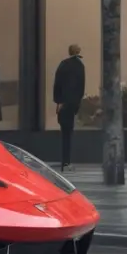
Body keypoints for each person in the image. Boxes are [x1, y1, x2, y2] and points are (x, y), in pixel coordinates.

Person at [53, 44, 86, 172]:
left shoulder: (63, 64)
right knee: (69, 133)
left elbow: (57, 84)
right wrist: (77, 103)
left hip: (63, 104)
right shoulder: (79, 66)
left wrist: (58, 101)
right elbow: (80, 87)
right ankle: (67, 163)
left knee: (64, 132)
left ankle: (65, 162)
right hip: (72, 104)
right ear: (78, 51)